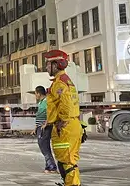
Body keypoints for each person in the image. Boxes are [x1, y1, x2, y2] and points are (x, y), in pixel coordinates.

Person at [44, 50, 83, 186]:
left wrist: (63, 120)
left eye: (48, 64)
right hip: (71, 125)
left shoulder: (60, 83)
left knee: (67, 162)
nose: (46, 67)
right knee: (67, 160)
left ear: (56, 65)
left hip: (65, 128)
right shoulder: (65, 81)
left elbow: (65, 103)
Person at [34, 85, 58, 174]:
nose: (35, 96)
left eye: (35, 94)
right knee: (43, 146)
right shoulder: (40, 102)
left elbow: (50, 112)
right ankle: (48, 166)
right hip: (40, 127)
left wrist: (46, 123)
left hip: (45, 127)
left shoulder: (46, 101)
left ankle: (52, 167)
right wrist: (36, 127)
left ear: (39, 93)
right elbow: (39, 116)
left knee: (44, 146)